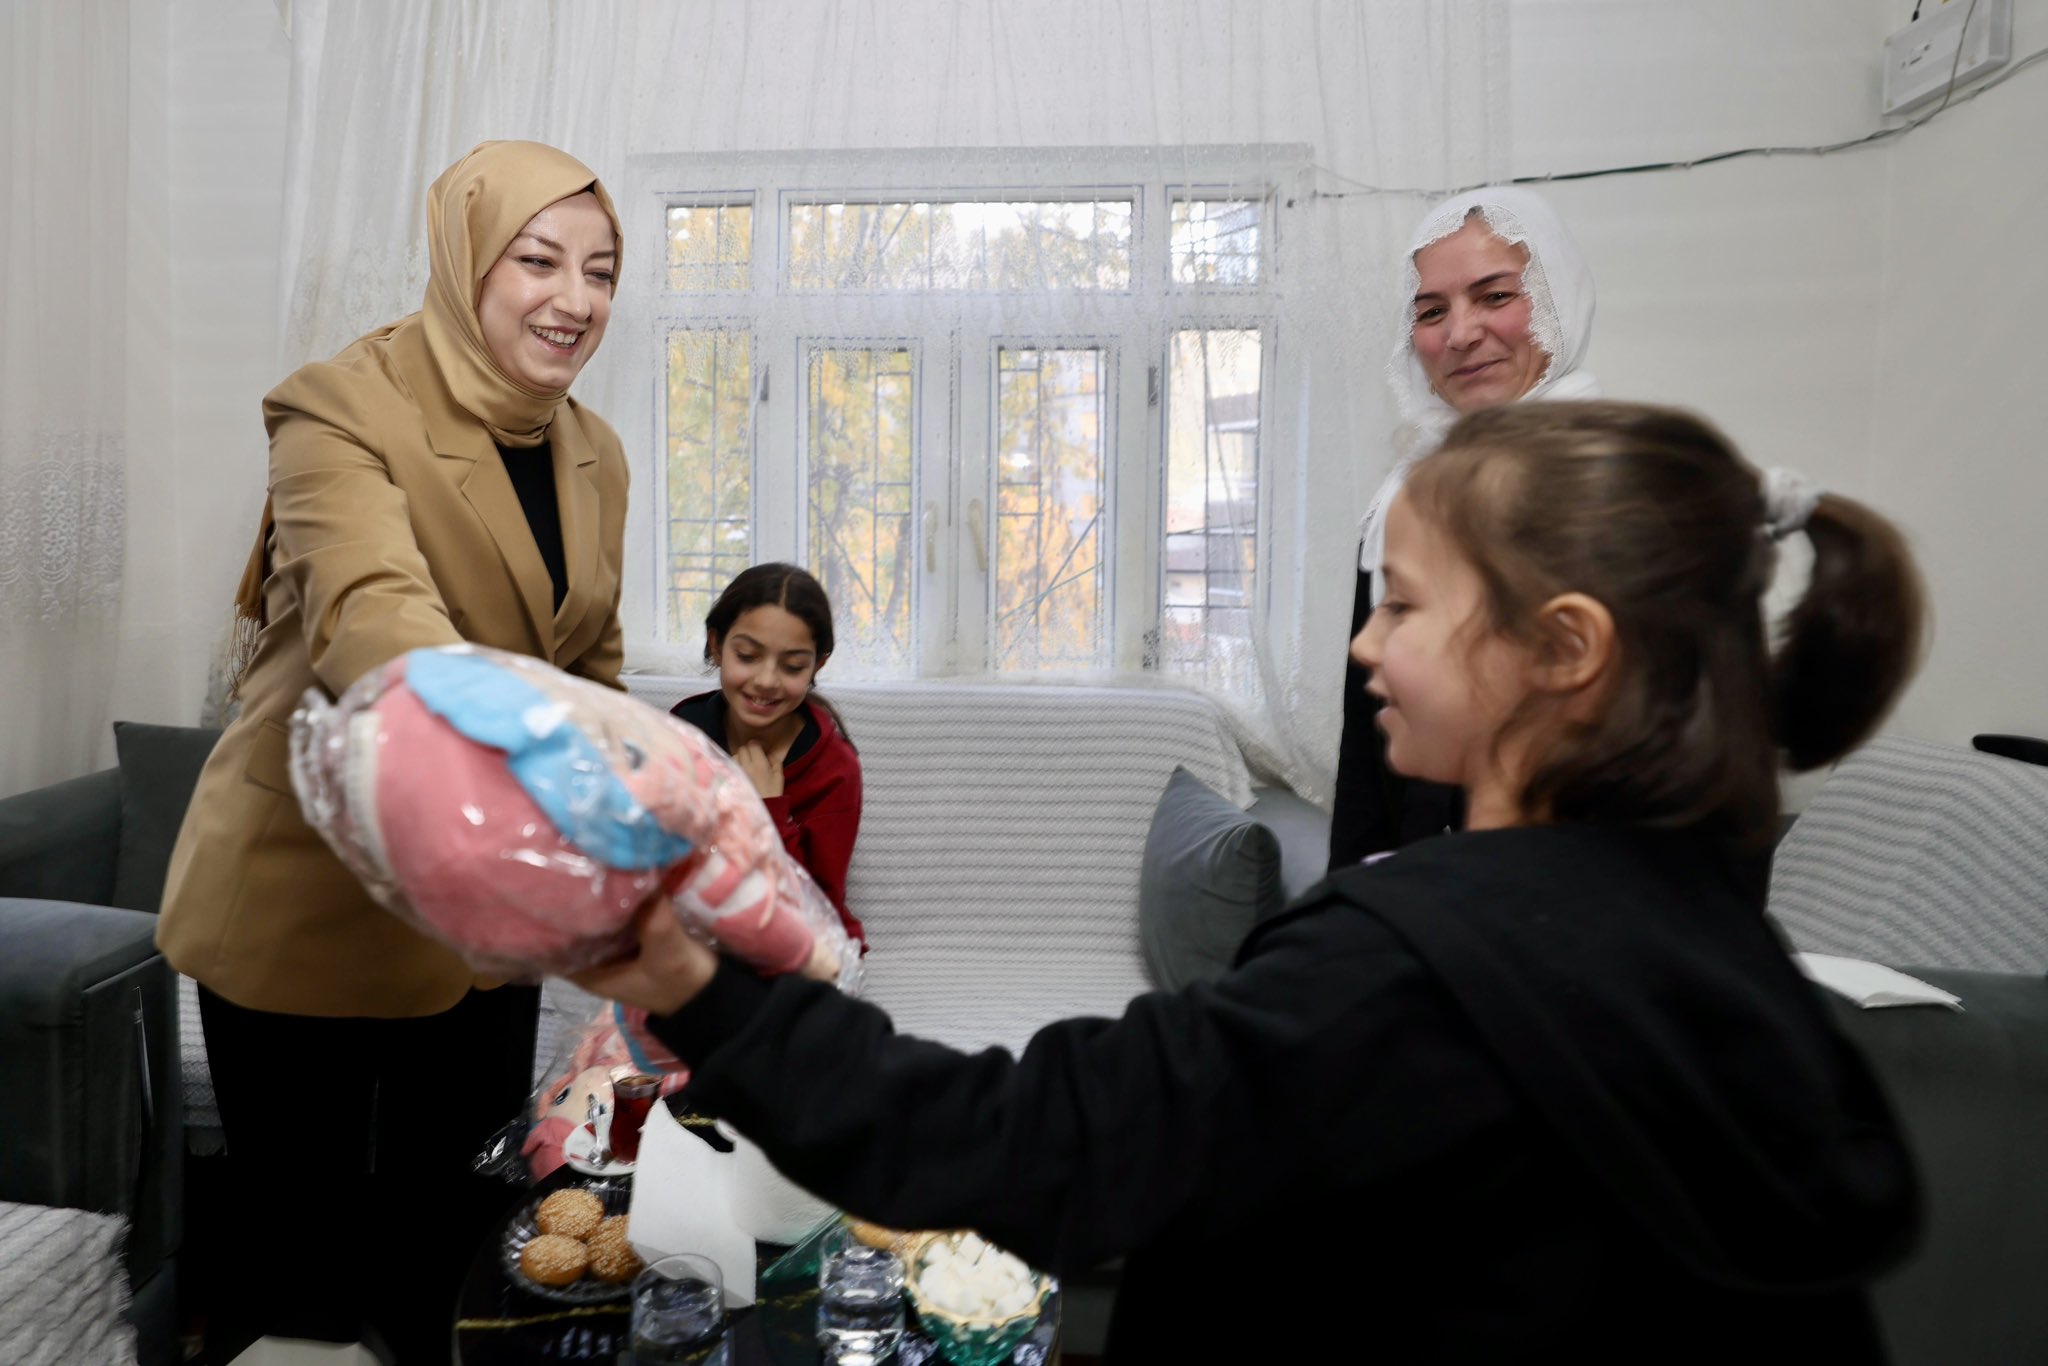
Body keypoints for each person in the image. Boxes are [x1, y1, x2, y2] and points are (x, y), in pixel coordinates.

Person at [572, 401, 1926, 1362]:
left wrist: (696, 984)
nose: (1364, 646)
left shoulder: (1406, 970)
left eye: (1402, 603)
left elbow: (1024, 1140)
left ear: (1562, 648)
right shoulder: (1725, 942)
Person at [155, 141, 627, 1364]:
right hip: (311, 896)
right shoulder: (336, 406)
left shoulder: (594, 452)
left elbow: (589, 656)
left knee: (450, 1256)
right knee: (294, 1287)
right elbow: (375, 623)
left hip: (484, 918)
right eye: (538, 260)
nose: (574, 298)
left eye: (601, 270)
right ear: (465, 259)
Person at [1330, 186, 1598, 870]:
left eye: (1495, 296)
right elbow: (1367, 748)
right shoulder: (1405, 494)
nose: (1460, 334)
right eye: (1431, 311)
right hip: (1420, 874)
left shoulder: (1610, 491)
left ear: (1557, 299)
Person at [670, 562, 865, 947]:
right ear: (716, 645)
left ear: (817, 664)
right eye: (747, 656)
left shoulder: (836, 769)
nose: (766, 681)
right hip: (696, 934)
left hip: (798, 940)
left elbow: (812, 911)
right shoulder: (684, 733)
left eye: (792, 666)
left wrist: (765, 810)